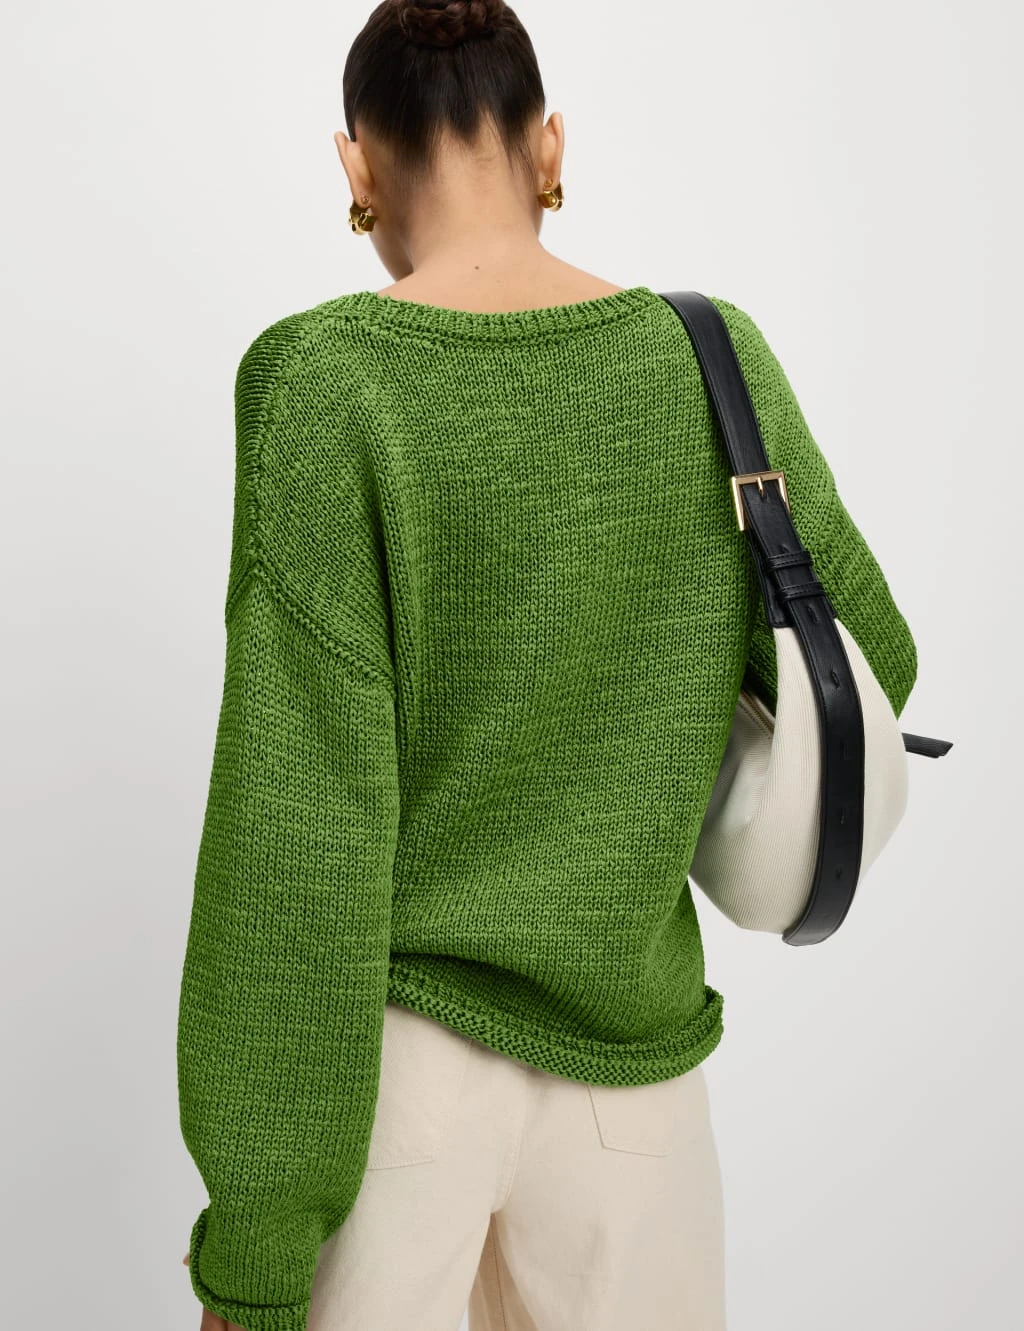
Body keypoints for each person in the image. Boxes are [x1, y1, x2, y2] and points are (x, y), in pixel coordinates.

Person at [176, 1, 919, 1328]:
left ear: (358, 164)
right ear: (550, 145)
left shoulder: (324, 383)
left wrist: (259, 1234)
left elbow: (299, 822)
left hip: (397, 1098)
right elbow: (872, 658)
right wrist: (647, 693)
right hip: (638, 1100)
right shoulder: (709, 359)